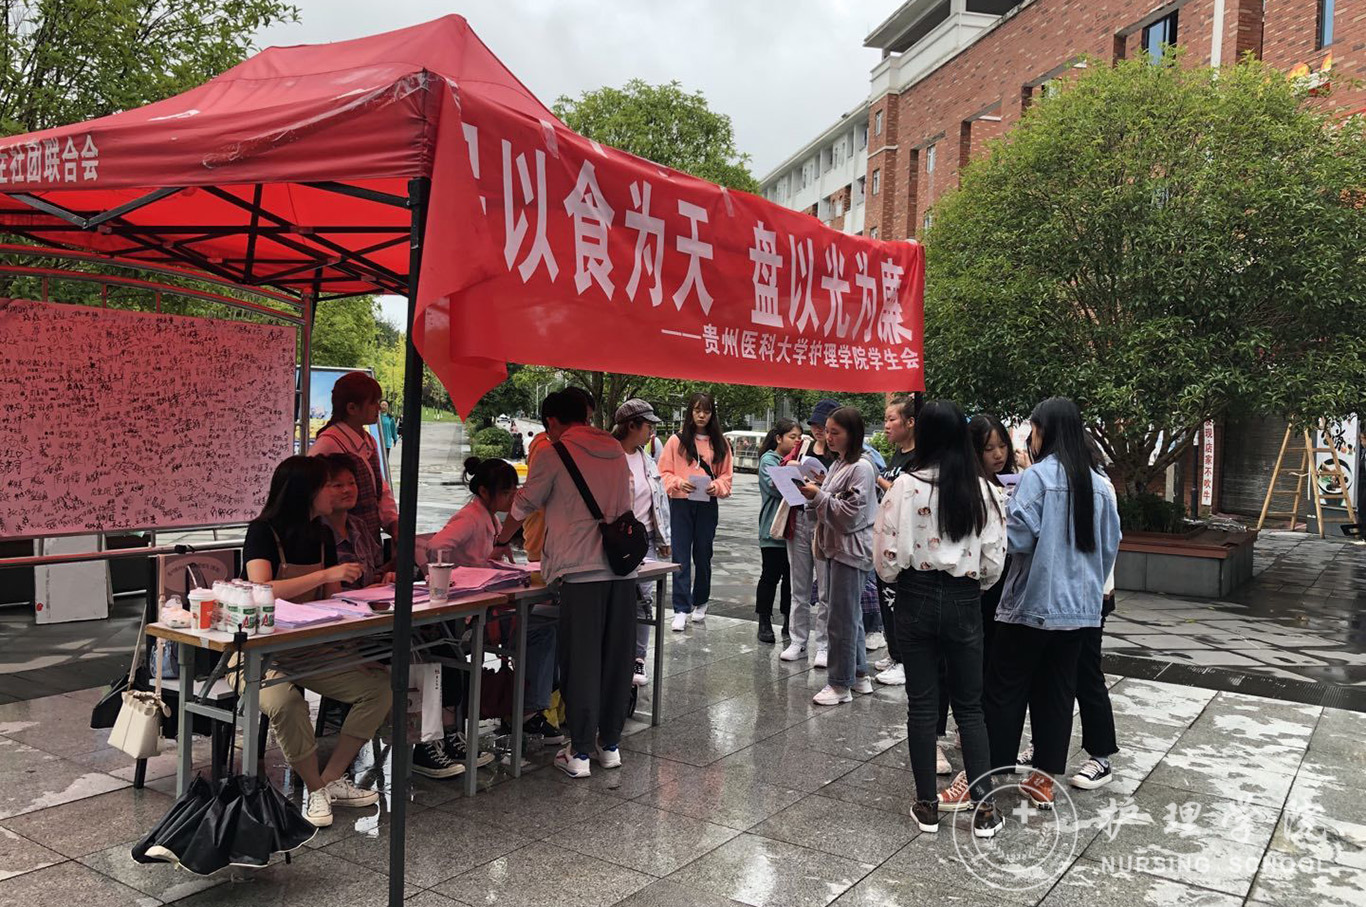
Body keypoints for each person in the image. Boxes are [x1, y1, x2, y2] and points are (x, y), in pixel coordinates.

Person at [875, 401, 1007, 837]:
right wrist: (972, 586)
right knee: (970, 707)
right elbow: (994, 559)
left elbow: (885, 556)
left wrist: (900, 577)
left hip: (914, 594)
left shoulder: (903, 487)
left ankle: (927, 805)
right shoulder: (984, 490)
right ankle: (984, 810)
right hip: (964, 597)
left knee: (922, 704)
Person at [490, 390, 636, 779]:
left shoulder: (554, 453)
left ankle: (581, 752)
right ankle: (610, 746)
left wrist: (501, 541)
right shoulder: (615, 450)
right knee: (616, 659)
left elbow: (524, 503)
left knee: (582, 661)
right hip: (622, 569)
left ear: (552, 421)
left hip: (580, 570)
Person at [985, 397, 1121, 810]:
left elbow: (1018, 539)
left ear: (1044, 431)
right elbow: (1110, 545)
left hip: (1032, 604)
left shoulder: (1038, 477)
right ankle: (1043, 780)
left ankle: (993, 770)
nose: (1031, 437)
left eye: (1033, 429)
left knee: (1006, 689)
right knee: (1057, 692)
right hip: (1080, 611)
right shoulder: (1098, 483)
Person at [240, 456, 388, 828]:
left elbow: (333, 601)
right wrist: (325, 574)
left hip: (307, 648)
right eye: (328, 486)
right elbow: (261, 589)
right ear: (306, 492)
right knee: (286, 702)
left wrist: (352, 652)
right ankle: (314, 788)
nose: (336, 493)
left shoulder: (320, 533)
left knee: (378, 688)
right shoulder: (262, 531)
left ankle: (331, 778)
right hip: (255, 653)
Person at [423, 457, 560, 778]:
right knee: (541, 631)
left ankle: (529, 708)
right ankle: (527, 711)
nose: (512, 498)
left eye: (514, 491)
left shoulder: (486, 517)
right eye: (506, 492)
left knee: (546, 627)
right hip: (469, 613)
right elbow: (436, 546)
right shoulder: (471, 517)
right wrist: (461, 574)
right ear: (485, 491)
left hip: (484, 607)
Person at [799, 405, 876, 707]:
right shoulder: (840, 464)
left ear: (852, 434)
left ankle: (840, 683)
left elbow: (851, 514)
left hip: (850, 550)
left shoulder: (861, 468)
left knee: (841, 619)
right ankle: (858, 673)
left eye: (835, 432)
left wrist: (818, 496)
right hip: (837, 548)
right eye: (827, 431)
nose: (828, 437)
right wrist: (817, 495)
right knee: (848, 615)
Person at [658, 392, 734, 631]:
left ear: (712, 414)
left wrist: (716, 486)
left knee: (703, 554)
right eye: (697, 410)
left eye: (707, 411)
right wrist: (678, 483)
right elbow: (662, 473)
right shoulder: (676, 441)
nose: (702, 415)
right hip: (681, 502)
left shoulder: (720, 443)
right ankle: (681, 608)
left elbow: (726, 476)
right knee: (680, 554)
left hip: (707, 503)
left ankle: (701, 600)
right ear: (690, 412)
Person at [612, 399, 672, 687]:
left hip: (644, 538)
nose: (652, 432)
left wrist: (663, 538)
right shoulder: (609, 457)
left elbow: (658, 502)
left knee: (644, 598)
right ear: (631, 425)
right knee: (615, 596)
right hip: (615, 538)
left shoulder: (648, 460)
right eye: (648, 425)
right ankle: (613, 653)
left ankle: (638, 657)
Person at [309, 372, 398, 552]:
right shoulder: (328, 444)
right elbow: (310, 494)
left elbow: (379, 488)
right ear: (352, 408)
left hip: (368, 539)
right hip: (340, 543)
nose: (378, 407)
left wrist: (393, 522)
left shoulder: (368, 440)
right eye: (372, 403)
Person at [780, 399, 839, 664]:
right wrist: (789, 470)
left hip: (826, 523)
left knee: (826, 589)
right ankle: (798, 641)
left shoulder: (840, 455)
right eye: (815, 424)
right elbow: (780, 472)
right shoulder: (802, 447)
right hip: (800, 517)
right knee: (799, 586)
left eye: (823, 425)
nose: (818, 430)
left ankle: (824, 644)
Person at [872, 396, 917, 687]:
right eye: (885, 420)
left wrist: (880, 481)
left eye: (892, 419)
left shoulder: (919, 458)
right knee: (886, 600)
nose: (886, 426)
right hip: (885, 539)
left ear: (910, 422)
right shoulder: (898, 454)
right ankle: (894, 653)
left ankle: (905, 660)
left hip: (904, 542)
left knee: (899, 602)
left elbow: (910, 496)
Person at [756, 419, 800, 644]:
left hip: (794, 530)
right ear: (779, 438)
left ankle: (788, 621)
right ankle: (764, 620)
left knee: (791, 580)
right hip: (773, 529)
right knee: (770, 576)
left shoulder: (798, 461)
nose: (796, 441)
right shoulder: (769, 460)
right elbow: (778, 488)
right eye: (792, 437)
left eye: (799, 438)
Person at [318, 454, 388, 590]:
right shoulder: (315, 531)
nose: (347, 490)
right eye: (338, 485)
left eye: (352, 483)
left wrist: (385, 576)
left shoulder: (358, 526)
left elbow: (375, 570)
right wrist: (361, 594)